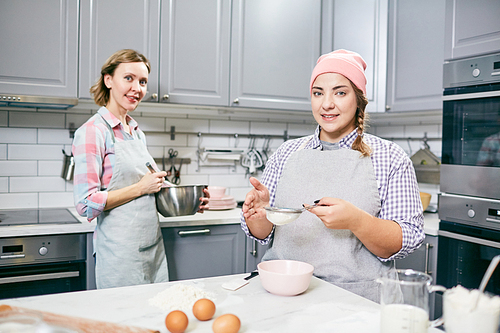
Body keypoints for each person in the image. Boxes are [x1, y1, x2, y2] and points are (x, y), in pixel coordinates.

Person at [241, 49, 424, 302]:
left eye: (340, 92)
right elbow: (262, 232)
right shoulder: (286, 153)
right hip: (284, 295)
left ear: (358, 99)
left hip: (357, 300)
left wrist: (356, 221)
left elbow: (408, 238)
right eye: (318, 93)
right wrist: (260, 215)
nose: (327, 103)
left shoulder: (390, 157)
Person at [72, 49, 209, 289]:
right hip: (120, 255)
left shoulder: (136, 132)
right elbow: (86, 204)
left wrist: (189, 201)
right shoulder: (93, 131)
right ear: (108, 80)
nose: (137, 88)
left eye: (143, 81)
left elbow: (151, 184)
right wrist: (139, 188)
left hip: (152, 248)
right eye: (129, 78)